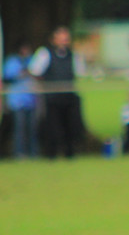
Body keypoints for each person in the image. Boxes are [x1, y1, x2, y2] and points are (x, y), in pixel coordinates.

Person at [29, 26, 86, 158]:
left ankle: (69, 154)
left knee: (70, 127)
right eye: (61, 39)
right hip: (52, 98)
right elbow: (35, 71)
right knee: (53, 128)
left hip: (69, 97)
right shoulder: (45, 53)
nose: (63, 42)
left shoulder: (74, 55)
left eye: (66, 39)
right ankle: (51, 155)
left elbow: (79, 73)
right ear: (53, 40)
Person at [3, 41, 39, 158]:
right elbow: (8, 76)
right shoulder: (12, 62)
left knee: (32, 129)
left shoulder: (32, 60)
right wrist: (22, 73)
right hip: (17, 101)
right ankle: (19, 153)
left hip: (31, 100)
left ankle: (33, 153)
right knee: (20, 128)